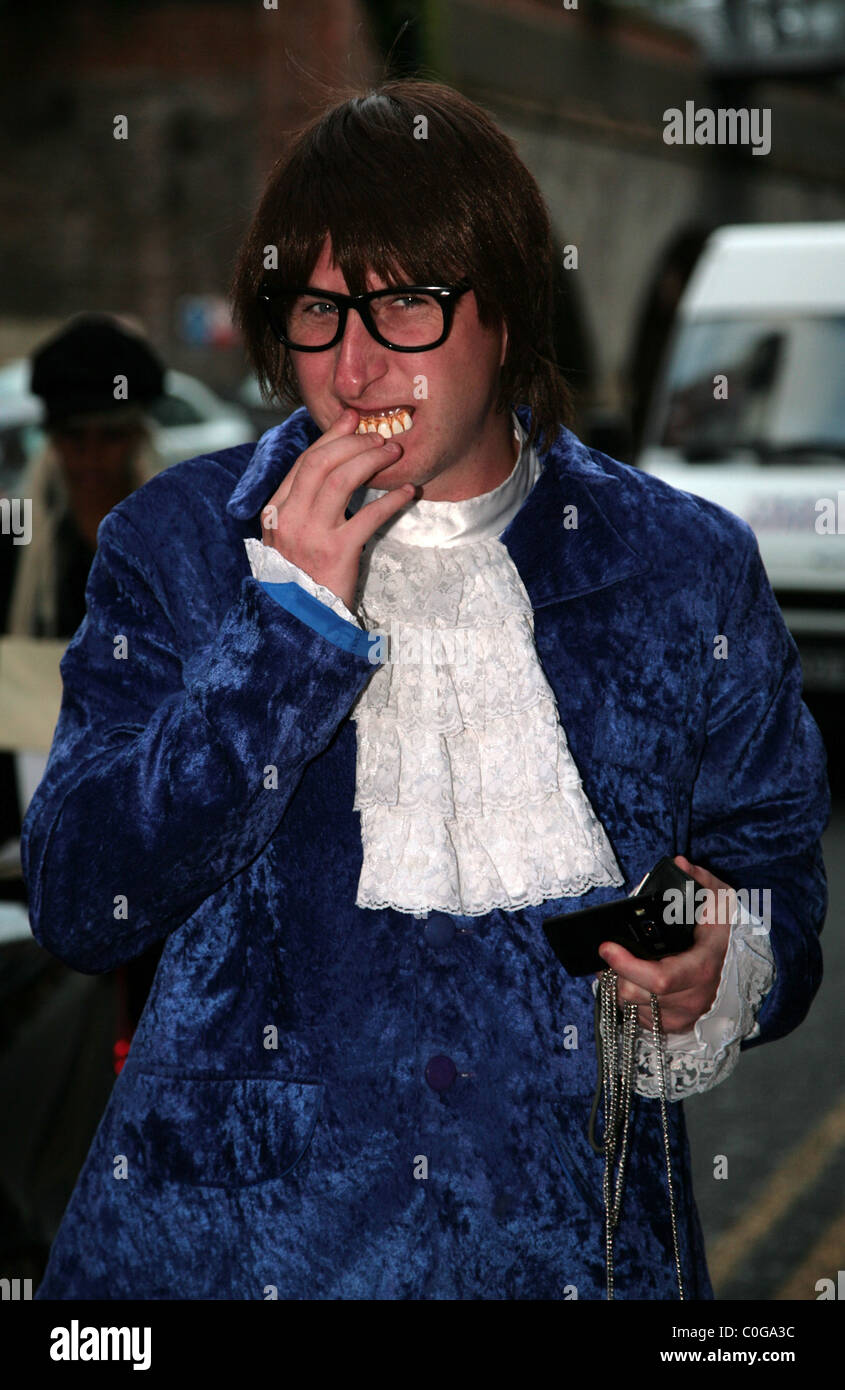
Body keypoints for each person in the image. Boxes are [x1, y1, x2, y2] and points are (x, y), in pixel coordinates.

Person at [22, 79, 829, 1301]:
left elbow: (776, 879)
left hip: (575, 1257)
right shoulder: (176, 547)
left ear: (502, 314)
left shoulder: (681, 566)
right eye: (316, 309)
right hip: (232, 1261)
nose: (352, 364)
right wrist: (283, 633)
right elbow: (84, 898)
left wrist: (723, 958)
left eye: (404, 303)